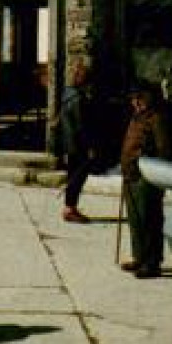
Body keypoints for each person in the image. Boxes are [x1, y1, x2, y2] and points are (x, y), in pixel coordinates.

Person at [119, 82, 172, 278]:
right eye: (134, 99)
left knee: (149, 220)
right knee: (135, 220)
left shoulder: (156, 119)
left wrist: (148, 162)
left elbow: (164, 150)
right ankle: (139, 257)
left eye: (139, 98)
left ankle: (152, 262)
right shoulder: (137, 117)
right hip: (131, 175)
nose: (135, 102)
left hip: (146, 177)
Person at [59, 61, 97, 223]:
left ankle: (70, 206)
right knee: (78, 176)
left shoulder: (67, 94)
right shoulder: (78, 99)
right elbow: (82, 125)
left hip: (69, 143)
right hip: (78, 144)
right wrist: (89, 146)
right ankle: (70, 208)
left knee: (73, 174)